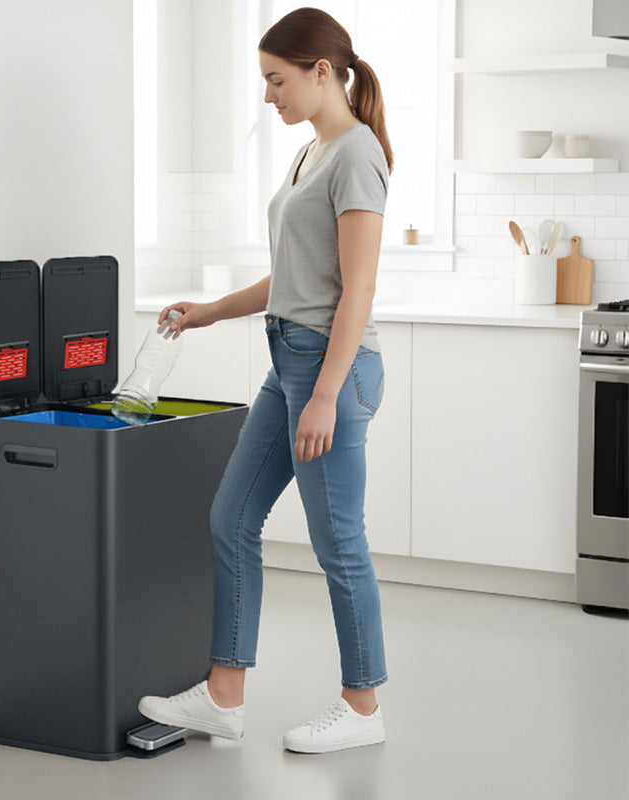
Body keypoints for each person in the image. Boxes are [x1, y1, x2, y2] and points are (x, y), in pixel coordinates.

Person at [138, 7, 393, 754]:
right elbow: (294, 276)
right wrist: (211, 311)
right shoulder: (311, 154)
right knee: (230, 519)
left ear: (321, 72)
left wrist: (323, 395)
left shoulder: (357, 155)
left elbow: (358, 290)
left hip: (329, 371)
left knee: (338, 541)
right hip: (291, 362)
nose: (268, 96)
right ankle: (224, 697)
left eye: (277, 80)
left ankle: (363, 704)